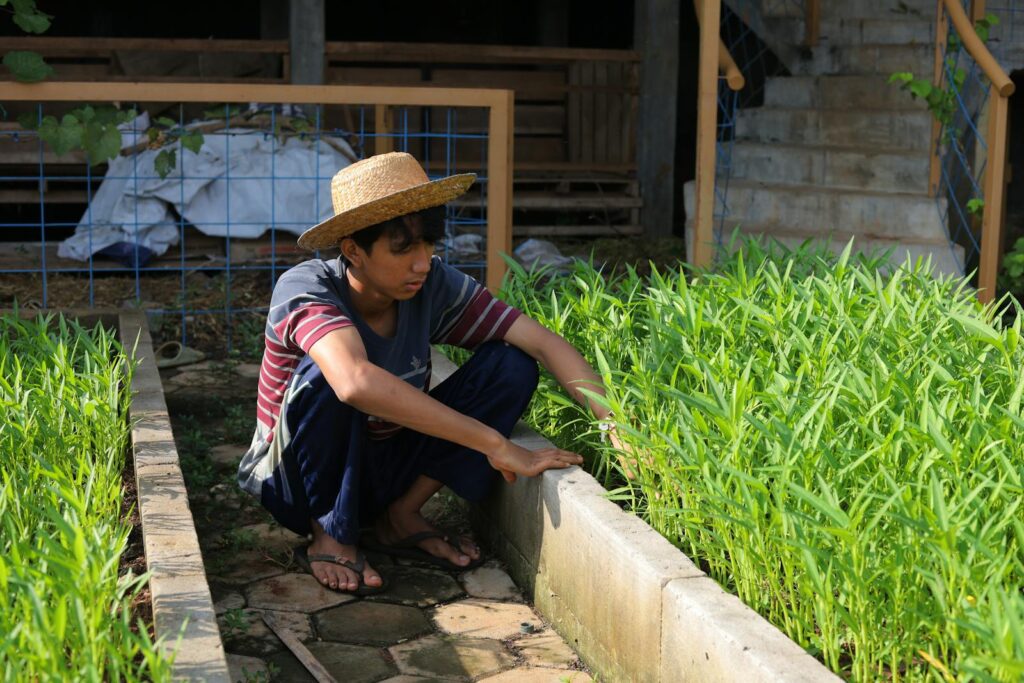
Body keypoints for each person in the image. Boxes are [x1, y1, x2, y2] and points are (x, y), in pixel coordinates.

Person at [237, 152, 622, 594]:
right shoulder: (306, 288)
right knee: (329, 376)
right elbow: (354, 382)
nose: (421, 262)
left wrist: (614, 423)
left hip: (381, 463)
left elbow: (541, 342)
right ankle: (330, 530)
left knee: (510, 365)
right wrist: (496, 445)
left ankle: (400, 515)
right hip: (294, 480)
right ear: (353, 251)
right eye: (403, 249)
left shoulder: (432, 284)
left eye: (428, 245)